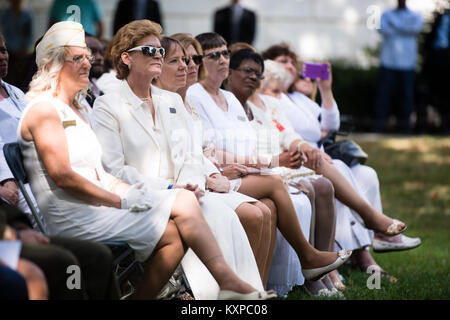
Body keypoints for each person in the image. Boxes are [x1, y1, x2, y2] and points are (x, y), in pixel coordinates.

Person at [19, 21, 270, 300]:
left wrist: (136, 191)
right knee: (185, 204)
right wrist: (124, 198)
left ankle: (206, 287)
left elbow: (102, 170)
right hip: (74, 214)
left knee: (175, 233)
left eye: (87, 58)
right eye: (77, 58)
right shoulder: (46, 110)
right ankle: (226, 281)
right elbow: (64, 175)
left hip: (100, 204)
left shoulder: (78, 109)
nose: (88, 64)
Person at [92, 21, 267, 300]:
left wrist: (192, 184)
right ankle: (212, 293)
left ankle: (234, 293)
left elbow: (190, 154)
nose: (157, 55)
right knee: (210, 214)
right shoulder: (108, 106)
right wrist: (171, 190)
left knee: (223, 214)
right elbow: (113, 169)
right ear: (126, 57)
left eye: (160, 50)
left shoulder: (169, 100)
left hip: (185, 193)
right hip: (140, 197)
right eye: (149, 50)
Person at [187, 32, 353, 289]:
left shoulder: (229, 98)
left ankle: (260, 287)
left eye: (225, 53)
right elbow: (207, 149)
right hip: (218, 175)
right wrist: (265, 162)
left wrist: (261, 161)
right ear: (200, 61)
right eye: (213, 55)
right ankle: (307, 257)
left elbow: (248, 141)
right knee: (275, 185)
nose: (222, 59)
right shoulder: (195, 95)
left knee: (270, 206)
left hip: (243, 171)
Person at [261, 43, 420, 279]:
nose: (290, 67)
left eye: (292, 62)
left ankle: (372, 241)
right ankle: (362, 250)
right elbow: (299, 132)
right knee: (340, 171)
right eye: (282, 61)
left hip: (318, 156)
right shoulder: (273, 97)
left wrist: (325, 89)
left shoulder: (298, 98)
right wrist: (314, 138)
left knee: (367, 175)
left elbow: (330, 125)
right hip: (301, 159)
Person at [157, 34, 276, 289]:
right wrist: (211, 177)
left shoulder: (183, 102)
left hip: (207, 178)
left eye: (192, 59)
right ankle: (240, 289)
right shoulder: (170, 100)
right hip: (182, 188)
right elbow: (179, 157)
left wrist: (212, 174)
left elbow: (199, 152)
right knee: (258, 210)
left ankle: (258, 288)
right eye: (178, 60)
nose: (188, 66)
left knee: (266, 209)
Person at [225, 49, 343, 297]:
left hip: (271, 164)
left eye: (257, 75)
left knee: (324, 181)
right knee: (302, 188)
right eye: (248, 72)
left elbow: (291, 133)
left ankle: (320, 269)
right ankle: (305, 265)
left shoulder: (262, 106)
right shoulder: (236, 104)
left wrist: (301, 147)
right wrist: (278, 158)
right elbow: (252, 146)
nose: (253, 79)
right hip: (257, 169)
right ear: (231, 73)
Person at [1, 198, 118, 299]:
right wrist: (11, 235)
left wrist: (20, 228)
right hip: (4, 240)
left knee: (97, 255)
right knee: (65, 263)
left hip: (8, 227)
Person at [0, 32, 43, 231]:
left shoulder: (15, 91)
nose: (2, 57)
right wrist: (5, 179)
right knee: (42, 211)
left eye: (3, 50)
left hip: (37, 171)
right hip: (14, 181)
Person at [373, 0, 423, 133]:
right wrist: (404, 27)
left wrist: (394, 25)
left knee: (406, 96)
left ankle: (405, 128)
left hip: (407, 63)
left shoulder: (415, 15)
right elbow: (381, 29)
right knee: (384, 95)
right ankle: (379, 126)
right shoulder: (387, 14)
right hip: (388, 61)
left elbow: (415, 29)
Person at [0, 0, 33, 90]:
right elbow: (4, 34)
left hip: (23, 52)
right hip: (10, 51)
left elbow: (29, 35)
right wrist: (12, 49)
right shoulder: (5, 15)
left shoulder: (27, 15)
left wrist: (24, 49)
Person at [84, 33, 105, 108]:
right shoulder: (74, 94)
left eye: (102, 53)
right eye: (92, 52)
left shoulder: (99, 91)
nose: (100, 58)